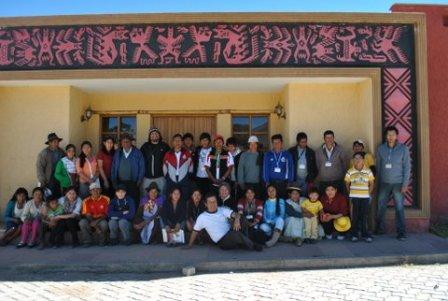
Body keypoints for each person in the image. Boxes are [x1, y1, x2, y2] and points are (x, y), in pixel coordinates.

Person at [184, 194, 262, 251]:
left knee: (242, 219)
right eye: (210, 202)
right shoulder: (202, 217)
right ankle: (252, 246)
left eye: (214, 201)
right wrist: (190, 245)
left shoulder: (221, 209)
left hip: (230, 232)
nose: (213, 204)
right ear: (205, 204)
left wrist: (237, 219)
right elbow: (195, 231)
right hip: (223, 241)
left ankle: (245, 241)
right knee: (235, 234)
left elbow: (236, 214)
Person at [376, 126, 411, 241]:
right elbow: (378, 167)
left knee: (399, 208)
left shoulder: (403, 149)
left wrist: (405, 184)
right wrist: (377, 183)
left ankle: (401, 232)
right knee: (381, 206)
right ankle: (379, 228)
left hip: (398, 183)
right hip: (384, 183)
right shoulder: (380, 149)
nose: (390, 137)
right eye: (388, 135)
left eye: (393, 135)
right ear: (386, 136)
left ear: (396, 136)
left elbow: (407, 167)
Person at [345, 152, 375, 243]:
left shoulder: (368, 171)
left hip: (365, 197)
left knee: (364, 216)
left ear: (363, 160)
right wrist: (350, 192)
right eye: (356, 158)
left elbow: (372, 183)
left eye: (359, 158)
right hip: (354, 197)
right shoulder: (350, 171)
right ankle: (354, 235)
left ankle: (365, 234)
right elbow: (347, 183)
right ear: (353, 160)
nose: (357, 160)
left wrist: (368, 194)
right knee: (355, 216)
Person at [111, 133, 145, 206]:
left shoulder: (137, 153)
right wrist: (113, 180)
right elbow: (113, 167)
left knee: (133, 200)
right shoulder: (118, 153)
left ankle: (132, 215)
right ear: (121, 143)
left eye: (127, 141)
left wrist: (139, 180)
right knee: (121, 201)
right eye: (123, 141)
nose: (125, 143)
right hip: (120, 182)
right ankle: (122, 215)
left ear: (131, 142)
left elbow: (142, 167)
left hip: (133, 182)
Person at [140, 127, 170, 197]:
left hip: (161, 177)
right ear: (149, 136)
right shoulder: (145, 146)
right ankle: (145, 208)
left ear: (159, 135)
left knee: (162, 195)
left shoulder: (165, 146)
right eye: (152, 134)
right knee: (145, 196)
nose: (154, 135)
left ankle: (161, 208)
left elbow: (169, 161)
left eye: (156, 133)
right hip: (147, 177)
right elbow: (140, 162)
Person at [78, 182, 110, 247]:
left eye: (97, 189)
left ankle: (102, 242)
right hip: (90, 219)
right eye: (93, 190)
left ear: (100, 190)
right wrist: (96, 227)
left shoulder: (106, 199)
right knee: (82, 222)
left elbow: (106, 214)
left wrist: (96, 222)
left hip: (101, 219)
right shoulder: (86, 201)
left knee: (104, 224)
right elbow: (87, 214)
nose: (95, 191)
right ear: (90, 192)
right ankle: (87, 241)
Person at [163, 134, 193, 202]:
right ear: (173, 142)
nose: (177, 142)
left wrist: (189, 175)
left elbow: (191, 165)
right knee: (170, 198)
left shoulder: (187, 153)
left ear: (182, 142)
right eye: (175, 140)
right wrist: (167, 176)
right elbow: (164, 166)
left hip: (184, 178)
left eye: (179, 140)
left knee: (184, 197)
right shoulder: (168, 154)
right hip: (171, 178)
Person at [263, 134, 294, 199]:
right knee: (272, 201)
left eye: (278, 142)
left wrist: (290, 181)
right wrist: (267, 181)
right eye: (274, 143)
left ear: (282, 143)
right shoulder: (268, 154)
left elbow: (290, 168)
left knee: (282, 201)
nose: (276, 144)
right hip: (271, 183)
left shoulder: (287, 154)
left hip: (283, 183)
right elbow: (266, 168)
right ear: (272, 143)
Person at [315, 130, 347, 195]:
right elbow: (318, 165)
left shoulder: (340, 150)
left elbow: (344, 164)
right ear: (324, 139)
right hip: (324, 180)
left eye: (331, 137)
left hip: (337, 180)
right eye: (327, 137)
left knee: (337, 199)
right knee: (324, 199)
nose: (329, 139)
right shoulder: (319, 151)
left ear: (333, 138)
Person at [36, 133, 65, 198]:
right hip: (49, 178)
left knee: (59, 195)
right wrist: (42, 180)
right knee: (50, 197)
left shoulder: (61, 152)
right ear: (50, 143)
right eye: (54, 142)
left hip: (59, 177)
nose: (57, 143)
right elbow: (40, 167)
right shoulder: (44, 153)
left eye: (57, 142)